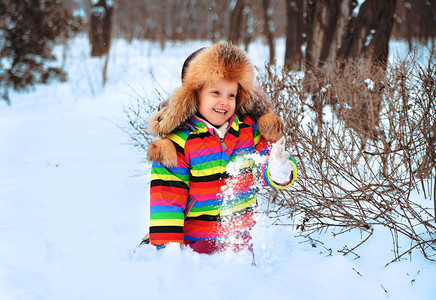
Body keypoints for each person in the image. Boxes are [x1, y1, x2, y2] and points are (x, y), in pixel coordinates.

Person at [145, 42, 297, 255]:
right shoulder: (178, 143)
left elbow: (265, 162)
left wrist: (277, 169)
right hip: (195, 246)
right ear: (195, 94)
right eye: (215, 92)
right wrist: (167, 249)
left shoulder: (247, 131)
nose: (224, 102)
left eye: (231, 95)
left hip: (240, 241)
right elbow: (167, 198)